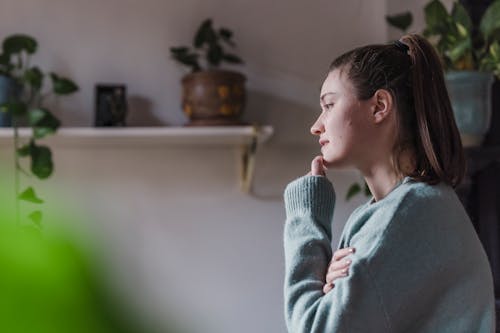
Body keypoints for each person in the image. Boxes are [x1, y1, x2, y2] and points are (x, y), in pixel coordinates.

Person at [283, 34, 495, 333]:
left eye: (329, 105)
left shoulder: (409, 214)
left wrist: (305, 218)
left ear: (379, 106)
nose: (316, 126)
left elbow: (312, 329)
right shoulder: (407, 209)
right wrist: (328, 291)